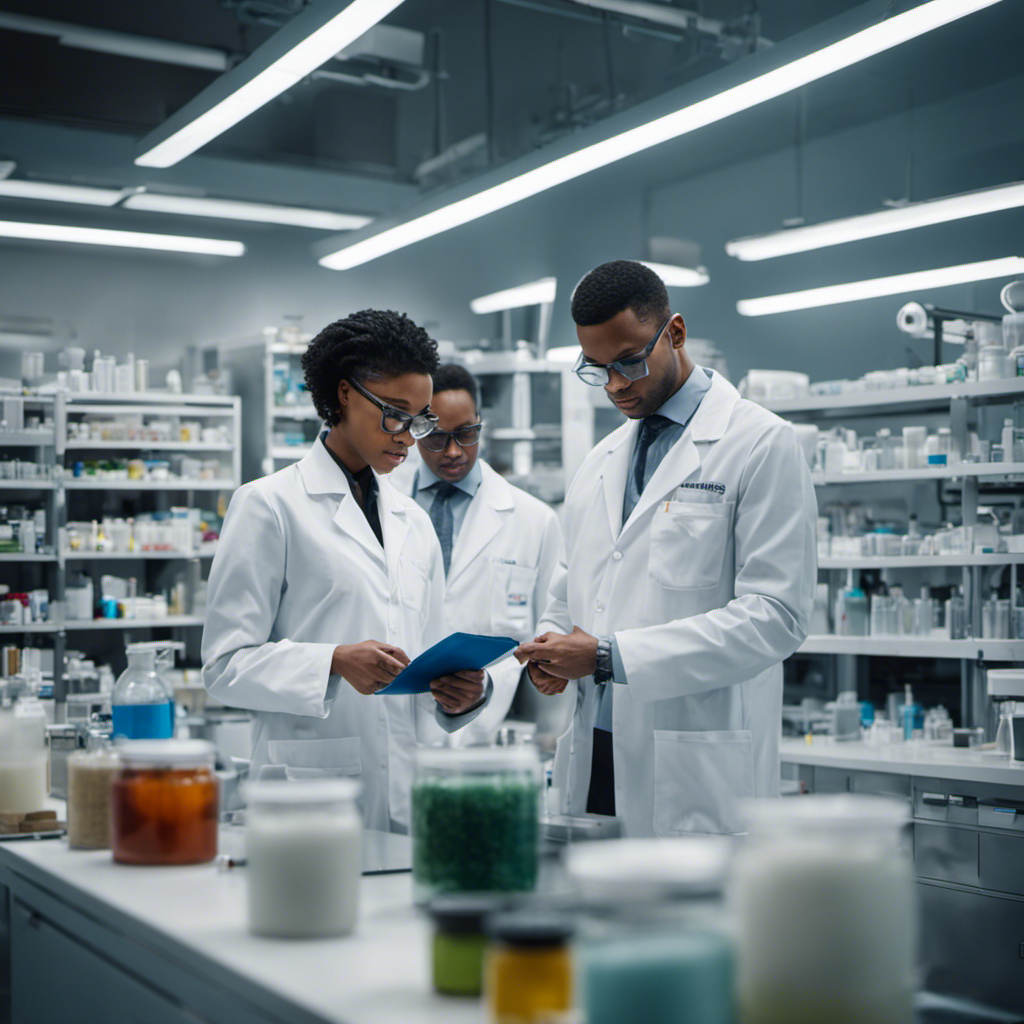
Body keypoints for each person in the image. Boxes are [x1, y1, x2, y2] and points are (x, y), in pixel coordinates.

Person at [515, 261, 817, 837]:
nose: (615, 385)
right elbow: (571, 587)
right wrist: (551, 657)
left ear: (675, 333)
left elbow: (776, 617)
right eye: (596, 369)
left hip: (694, 767)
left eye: (629, 361)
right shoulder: (601, 460)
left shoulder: (760, 444)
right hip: (596, 752)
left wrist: (609, 656)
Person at [202, 309, 490, 833]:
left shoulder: (413, 522)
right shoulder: (269, 505)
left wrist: (461, 695)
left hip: (406, 792)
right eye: (395, 414)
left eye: (420, 418)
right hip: (307, 796)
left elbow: (426, 665)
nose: (408, 436)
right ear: (345, 394)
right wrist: (332, 662)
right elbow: (224, 666)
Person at [393, 363, 563, 745]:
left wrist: (483, 686)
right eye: (436, 438)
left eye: (467, 434)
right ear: (416, 429)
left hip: (485, 733)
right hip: (396, 729)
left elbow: (549, 635)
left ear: (481, 424)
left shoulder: (535, 520)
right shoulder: (384, 505)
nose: (453, 451)